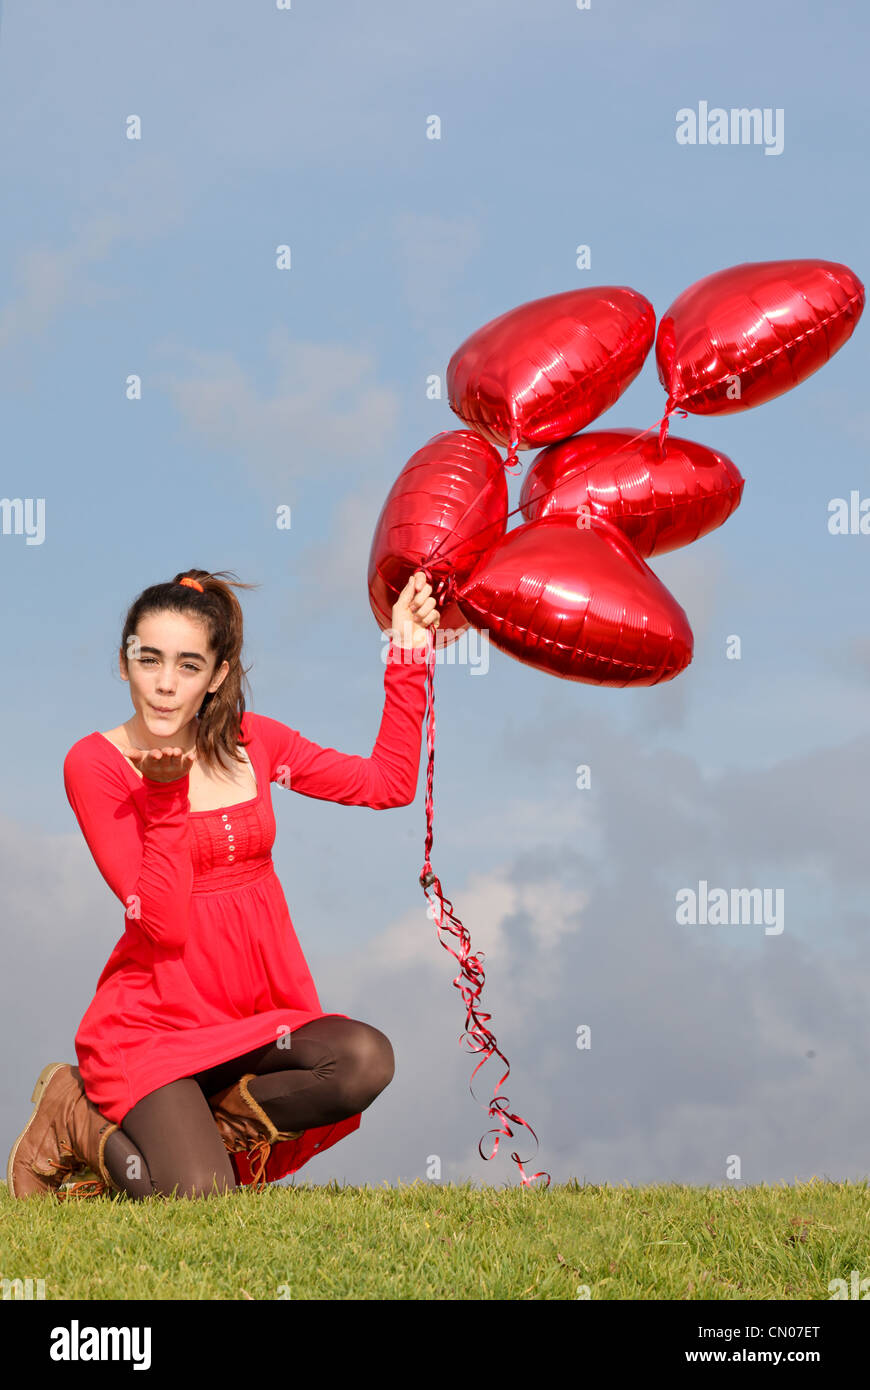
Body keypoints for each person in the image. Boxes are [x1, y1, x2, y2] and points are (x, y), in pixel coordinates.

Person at [7, 567, 440, 1200]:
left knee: (363, 1060)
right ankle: (73, 1110)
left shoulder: (255, 744)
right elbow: (162, 921)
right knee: (197, 1201)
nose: (162, 683)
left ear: (217, 676)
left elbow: (387, 784)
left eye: (187, 665)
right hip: (153, 1029)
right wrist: (163, 795)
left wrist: (407, 648)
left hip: (257, 1017)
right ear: (123, 664)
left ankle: (199, 1132)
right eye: (147, 659)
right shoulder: (95, 763)